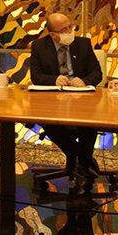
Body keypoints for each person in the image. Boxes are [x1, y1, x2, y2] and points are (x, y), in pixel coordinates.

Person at [29, 13, 103, 179]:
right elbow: (36, 76)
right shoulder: (39, 46)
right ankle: (81, 158)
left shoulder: (83, 44)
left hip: (82, 100)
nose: (70, 31)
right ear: (53, 35)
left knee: (88, 122)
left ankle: (82, 164)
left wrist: (84, 81)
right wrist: (54, 79)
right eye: (64, 29)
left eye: (70, 26)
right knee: (46, 120)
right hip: (53, 101)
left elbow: (97, 73)